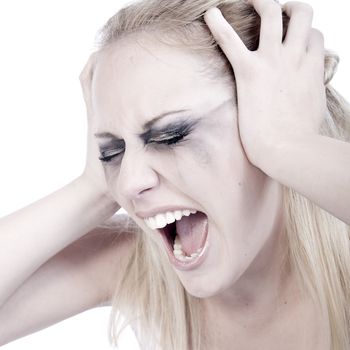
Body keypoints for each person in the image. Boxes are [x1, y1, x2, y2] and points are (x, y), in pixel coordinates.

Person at [0, 0, 349, 349]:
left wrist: (287, 144)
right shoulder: (139, 269)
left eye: (171, 135)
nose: (129, 181)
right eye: (112, 152)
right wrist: (92, 189)